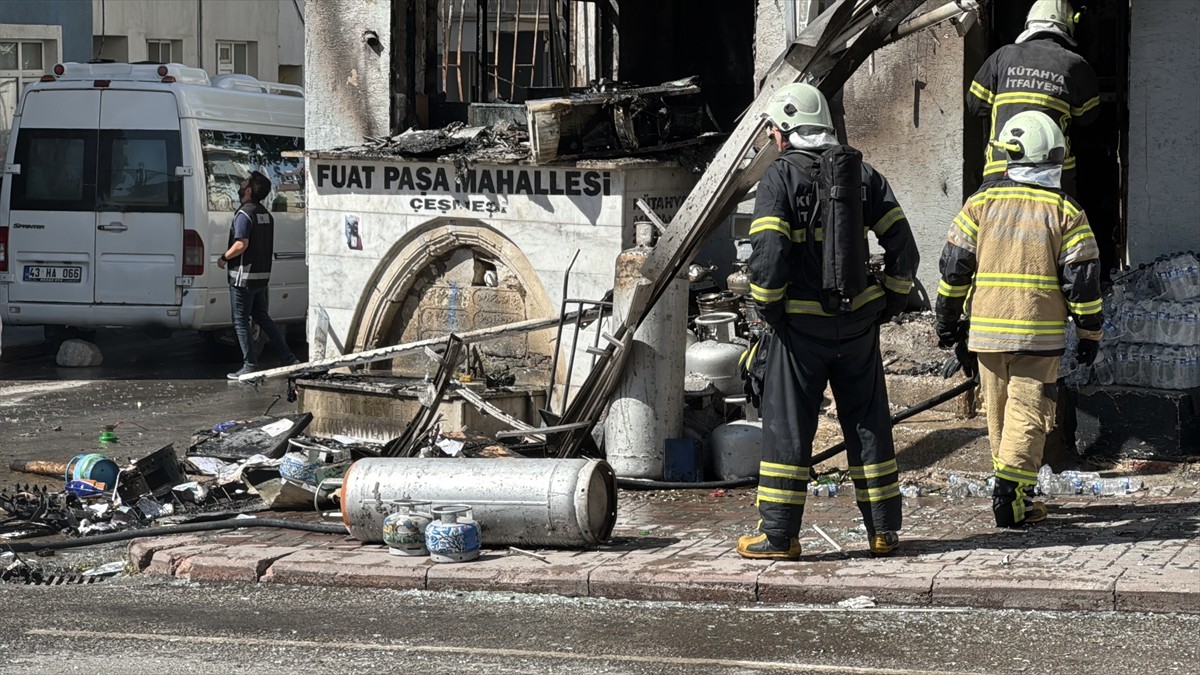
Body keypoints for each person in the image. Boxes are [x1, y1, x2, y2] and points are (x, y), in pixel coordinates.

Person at [736, 83, 919, 560]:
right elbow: (904, 247)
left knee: (788, 429)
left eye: (773, 130)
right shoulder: (864, 174)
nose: (772, 137)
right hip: (857, 328)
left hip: (800, 332)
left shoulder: (779, 178)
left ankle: (780, 537)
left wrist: (771, 311)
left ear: (784, 130)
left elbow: (768, 254)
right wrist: (889, 301)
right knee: (868, 423)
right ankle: (883, 531)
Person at [935, 110, 1103, 528]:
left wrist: (948, 321)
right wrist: (1090, 333)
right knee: (1029, 413)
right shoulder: (1065, 211)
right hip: (1037, 335)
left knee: (999, 415)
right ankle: (1010, 498)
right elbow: (1082, 282)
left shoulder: (979, 204)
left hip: (986, 335)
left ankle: (1014, 490)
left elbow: (954, 269)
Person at [967, 0, 1099, 196]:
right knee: (1056, 217)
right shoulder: (1076, 65)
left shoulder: (1001, 57)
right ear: (1069, 26)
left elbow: (976, 105)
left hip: (1002, 168)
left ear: (1030, 22)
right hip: (1053, 174)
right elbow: (1088, 117)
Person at [218, 171, 300, 379]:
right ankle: (289, 358)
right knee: (262, 318)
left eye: (244, 183)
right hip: (261, 277)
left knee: (240, 321)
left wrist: (224, 258)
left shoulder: (244, 214)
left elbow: (241, 244)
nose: (241, 185)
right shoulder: (265, 214)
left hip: (243, 278)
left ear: (248, 191)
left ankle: (250, 365)